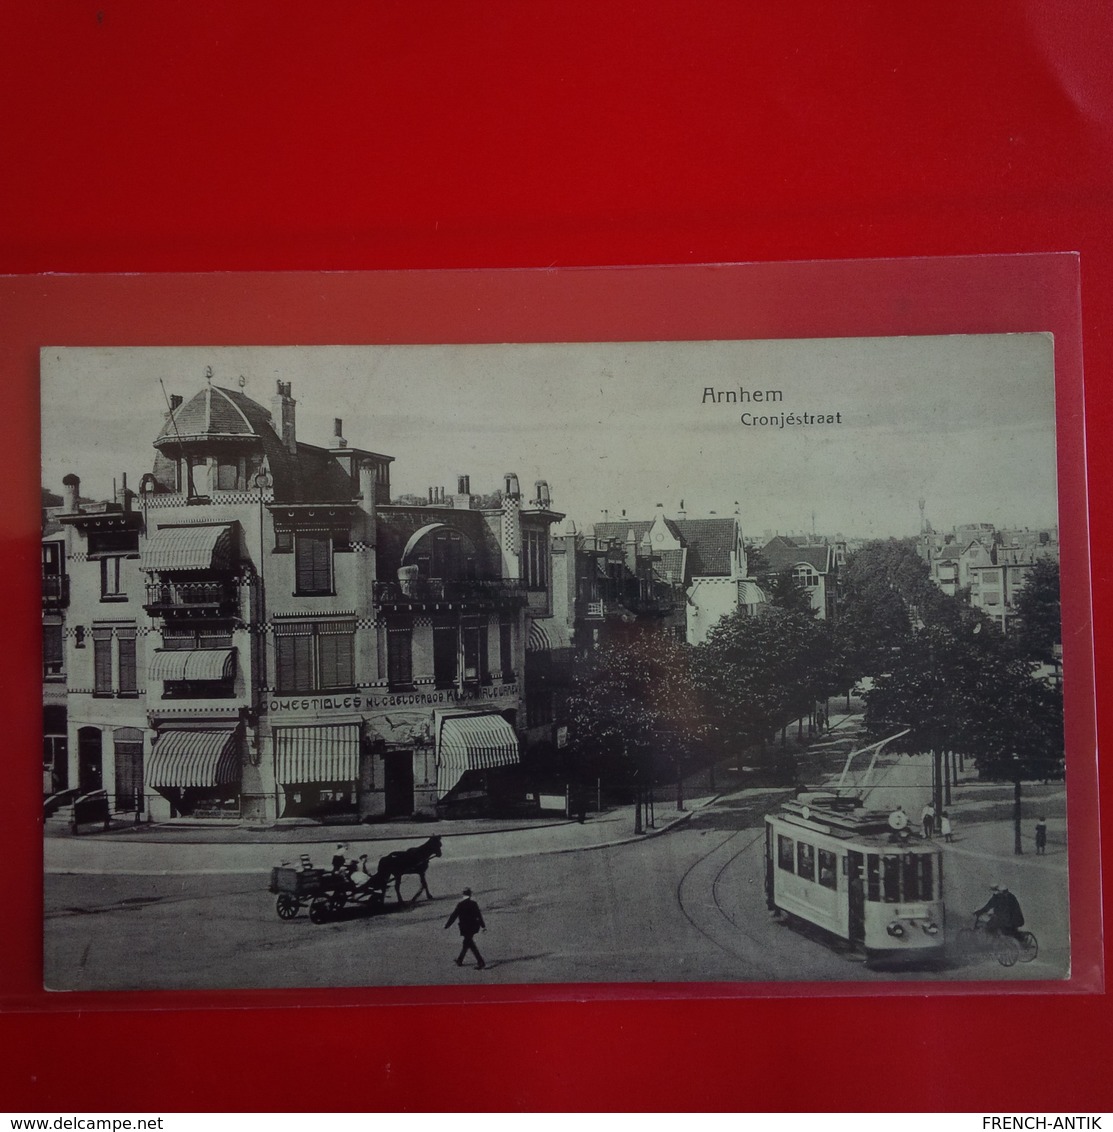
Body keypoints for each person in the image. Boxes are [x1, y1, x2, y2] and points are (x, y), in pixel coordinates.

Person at [445, 887, 486, 969]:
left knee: (470, 944)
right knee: (467, 943)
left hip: (465, 927)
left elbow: (454, 915)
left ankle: (481, 962)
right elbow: (479, 915)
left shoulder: (460, 904)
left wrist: (447, 925)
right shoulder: (474, 904)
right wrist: (483, 925)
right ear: (470, 895)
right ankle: (460, 960)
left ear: (463, 894)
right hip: (473, 927)